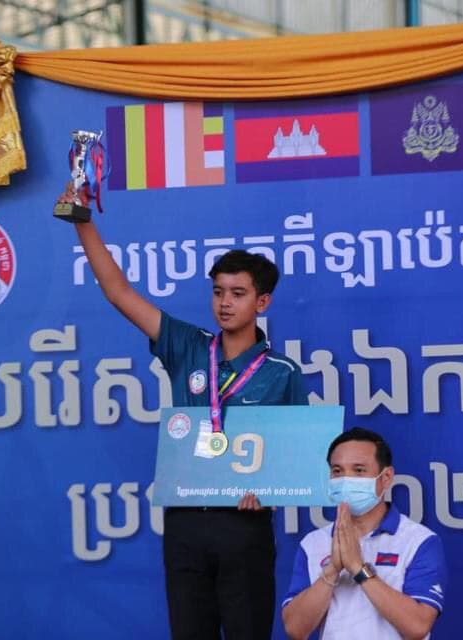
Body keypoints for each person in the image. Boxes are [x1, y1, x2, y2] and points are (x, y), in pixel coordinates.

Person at [73, 219, 308, 640]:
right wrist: (83, 223)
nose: (225, 303)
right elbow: (118, 293)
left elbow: (298, 454)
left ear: (263, 301)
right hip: (185, 521)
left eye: (238, 293)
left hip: (244, 524)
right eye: (218, 292)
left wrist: (269, 491)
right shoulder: (188, 345)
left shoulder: (281, 371)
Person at [281, 428, 446, 640]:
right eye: (337, 471)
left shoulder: (419, 541)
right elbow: (295, 629)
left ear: (386, 477)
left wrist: (359, 569)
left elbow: (418, 626)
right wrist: (332, 571)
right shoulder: (313, 543)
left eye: (359, 470)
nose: (346, 479)